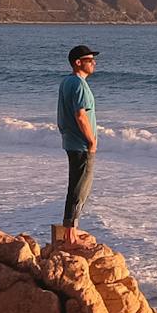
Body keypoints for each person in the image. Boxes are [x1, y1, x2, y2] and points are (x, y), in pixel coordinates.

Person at [55, 45, 98, 245]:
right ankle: (71, 233)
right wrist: (91, 141)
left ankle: (70, 230)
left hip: (71, 141)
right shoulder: (79, 84)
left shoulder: (67, 82)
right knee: (81, 188)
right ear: (78, 63)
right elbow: (81, 116)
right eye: (89, 60)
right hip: (81, 144)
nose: (94, 63)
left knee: (75, 185)